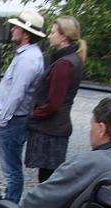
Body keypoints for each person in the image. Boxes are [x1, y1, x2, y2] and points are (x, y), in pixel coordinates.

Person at [25, 16, 86, 183]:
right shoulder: (70, 59)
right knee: (48, 176)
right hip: (55, 126)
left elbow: (54, 103)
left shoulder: (64, 63)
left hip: (52, 128)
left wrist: (33, 114)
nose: (49, 35)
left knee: (47, 178)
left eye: (53, 32)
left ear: (64, 36)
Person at [0, 10, 45, 202]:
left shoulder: (28, 59)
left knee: (12, 169)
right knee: (11, 168)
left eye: (17, 27)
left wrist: (3, 118)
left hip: (14, 119)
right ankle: (10, 204)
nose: (13, 29)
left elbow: (17, 93)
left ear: (26, 33)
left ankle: (10, 207)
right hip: (14, 118)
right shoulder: (27, 55)